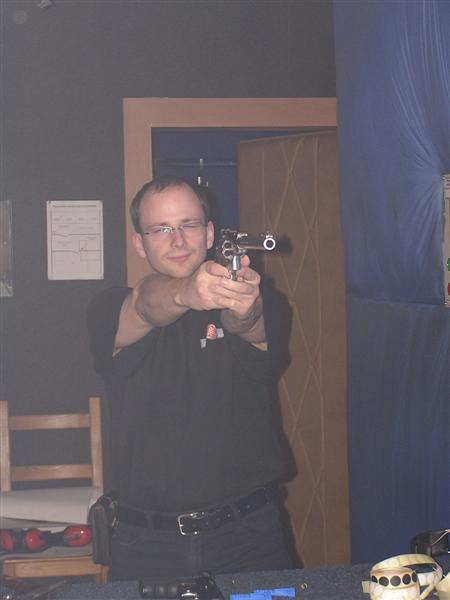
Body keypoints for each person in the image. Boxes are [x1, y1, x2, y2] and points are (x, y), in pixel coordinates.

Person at [87, 175, 295, 582]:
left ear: (210, 233)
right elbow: (144, 303)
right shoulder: (108, 307)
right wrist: (188, 292)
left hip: (251, 538)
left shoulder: (262, 300)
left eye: (189, 225)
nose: (178, 240)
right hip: (146, 545)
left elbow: (250, 326)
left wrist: (243, 308)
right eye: (161, 229)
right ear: (139, 243)